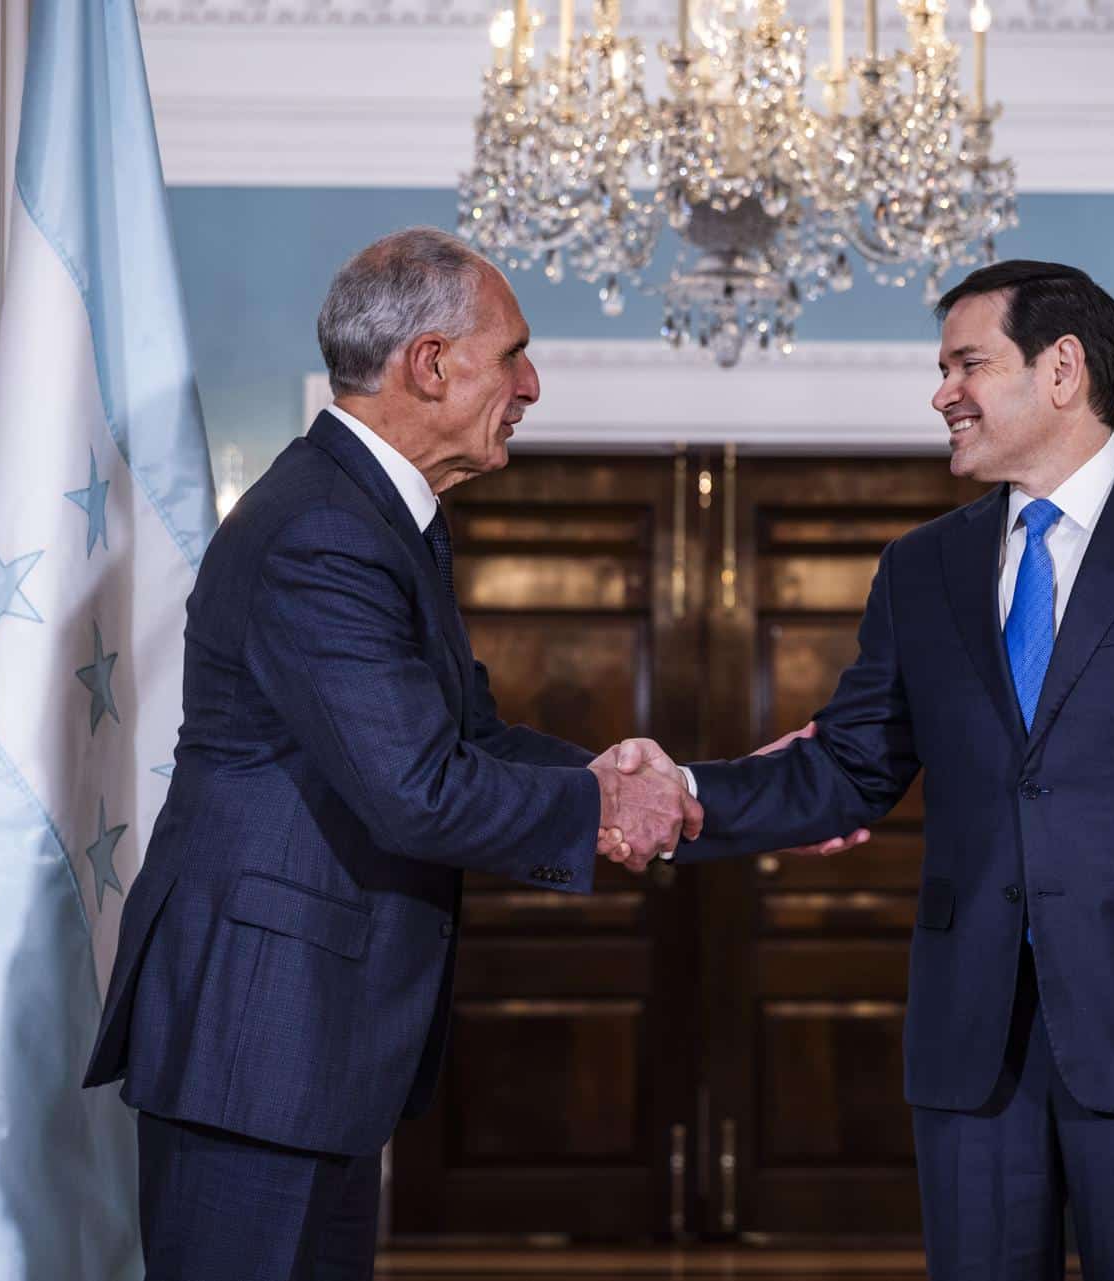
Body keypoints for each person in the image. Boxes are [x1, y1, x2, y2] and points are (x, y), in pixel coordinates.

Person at [635, 261, 1114, 1280]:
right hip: (972, 1045)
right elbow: (849, 768)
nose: (942, 393)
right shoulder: (919, 567)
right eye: (943, 369)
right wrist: (685, 795)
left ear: (1063, 370)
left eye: (968, 363)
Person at [83, 227, 701, 1281]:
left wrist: (670, 787)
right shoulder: (324, 529)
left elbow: (466, 740)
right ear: (430, 364)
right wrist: (610, 807)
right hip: (258, 1039)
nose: (532, 382)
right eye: (513, 354)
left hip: (305, 1039)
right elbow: (419, 791)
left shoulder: (379, 518)